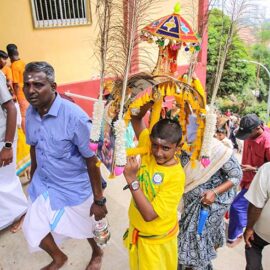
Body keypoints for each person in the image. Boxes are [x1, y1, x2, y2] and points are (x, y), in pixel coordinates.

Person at [21, 62, 107, 270]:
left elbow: (91, 160)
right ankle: (59, 258)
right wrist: (34, 177)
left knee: (87, 227)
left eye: (38, 85)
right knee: (32, 227)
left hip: (75, 186)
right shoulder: (31, 114)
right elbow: (33, 146)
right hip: (44, 183)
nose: (30, 91)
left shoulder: (75, 117)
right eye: (27, 85)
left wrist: (99, 199)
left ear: (53, 86)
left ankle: (97, 252)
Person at [123, 101, 185, 270]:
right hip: (137, 232)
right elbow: (136, 117)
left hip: (156, 242)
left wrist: (132, 180)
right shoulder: (148, 148)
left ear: (178, 147)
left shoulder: (176, 177)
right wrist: (151, 99)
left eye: (166, 148)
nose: (158, 152)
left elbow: (149, 215)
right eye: (155, 145)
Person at [178, 138, 242, 270]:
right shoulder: (179, 143)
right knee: (189, 250)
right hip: (187, 206)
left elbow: (236, 176)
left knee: (194, 249)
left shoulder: (216, 149)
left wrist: (214, 192)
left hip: (205, 209)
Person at [228, 114, 270, 246]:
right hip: (246, 179)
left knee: (237, 207)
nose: (246, 137)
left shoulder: (267, 142)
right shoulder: (249, 135)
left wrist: (254, 169)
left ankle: (238, 233)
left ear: (258, 128)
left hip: (257, 183)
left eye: (248, 133)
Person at [0, 70, 27, 230]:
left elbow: (11, 108)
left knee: (6, 180)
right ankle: (7, 217)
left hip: (4, 139)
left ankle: (23, 212)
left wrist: (7, 146)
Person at [244, 162, 270, 270]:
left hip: (263, 230)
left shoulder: (267, 168)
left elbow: (256, 204)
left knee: (252, 245)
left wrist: (249, 228)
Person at [7, 44, 28, 132]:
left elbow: (15, 84)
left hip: (20, 94)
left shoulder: (13, 66)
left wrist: (14, 96)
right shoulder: (23, 63)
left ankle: (25, 134)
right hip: (27, 91)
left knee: (23, 116)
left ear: (8, 55)